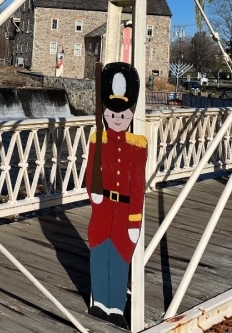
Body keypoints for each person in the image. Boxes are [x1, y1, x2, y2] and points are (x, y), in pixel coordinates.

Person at [86, 62, 146, 329]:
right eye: (112, 112)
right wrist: (93, 194)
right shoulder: (96, 140)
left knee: (120, 260)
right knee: (99, 256)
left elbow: (137, 187)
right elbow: (90, 173)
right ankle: (99, 302)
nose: (117, 117)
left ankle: (115, 307)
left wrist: (134, 221)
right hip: (102, 210)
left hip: (124, 214)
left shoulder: (137, 146)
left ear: (131, 113)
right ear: (105, 112)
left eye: (123, 113)